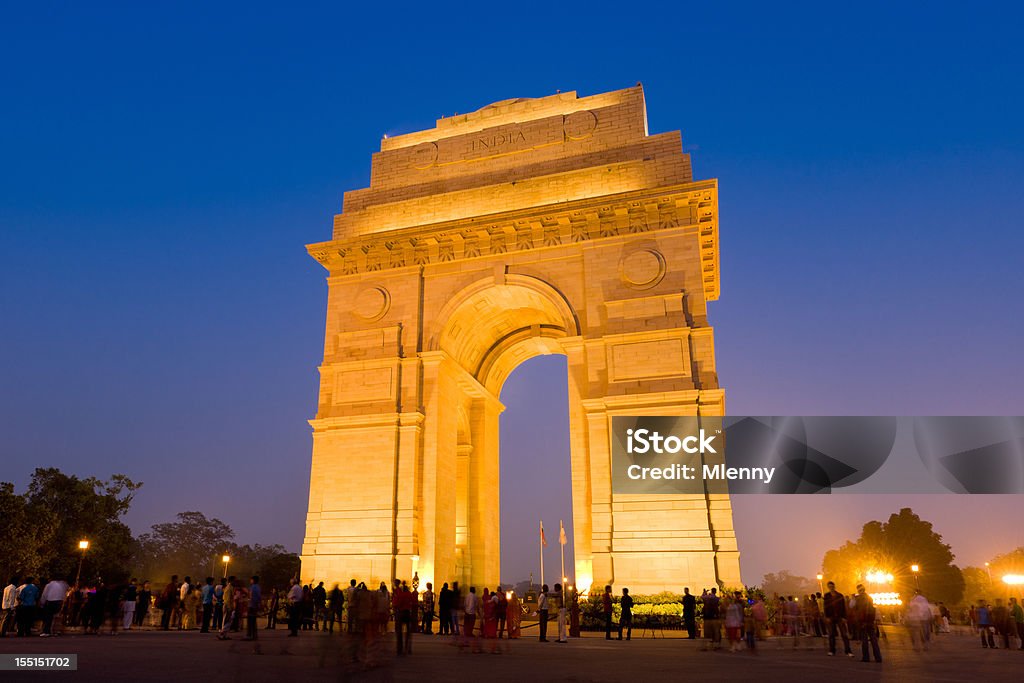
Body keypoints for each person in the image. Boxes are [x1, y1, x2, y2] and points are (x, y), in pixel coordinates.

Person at [851, 584, 881, 663]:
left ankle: (866, 657)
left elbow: (851, 606)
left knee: (864, 640)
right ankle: (878, 657)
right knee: (873, 640)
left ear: (858, 590)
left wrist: (853, 598)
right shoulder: (870, 598)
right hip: (870, 621)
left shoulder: (858, 598)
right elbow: (874, 609)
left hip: (862, 621)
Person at [823, 581, 853, 657]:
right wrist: (827, 617)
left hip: (839, 616)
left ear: (834, 586)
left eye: (832, 586)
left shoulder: (840, 595)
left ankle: (848, 651)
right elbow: (825, 607)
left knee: (844, 635)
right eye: (829, 586)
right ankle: (832, 650)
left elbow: (843, 607)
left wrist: (844, 617)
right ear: (828, 587)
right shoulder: (826, 596)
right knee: (831, 635)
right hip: (831, 616)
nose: (831, 588)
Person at [462, 586, 479, 651]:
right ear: (473, 590)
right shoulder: (475, 596)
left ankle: (467, 633)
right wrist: (478, 612)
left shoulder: (467, 596)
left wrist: (465, 611)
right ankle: (470, 633)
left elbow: (465, 604)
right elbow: (476, 605)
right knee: (471, 624)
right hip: (472, 613)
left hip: (467, 612)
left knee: (466, 624)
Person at [244, 576, 261, 641]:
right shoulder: (258, 587)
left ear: (253, 580)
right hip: (255, 605)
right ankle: (254, 635)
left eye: (251, 580)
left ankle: (249, 635)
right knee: (254, 621)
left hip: (251, 605)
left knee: (250, 621)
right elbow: (259, 597)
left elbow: (251, 596)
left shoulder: (252, 587)